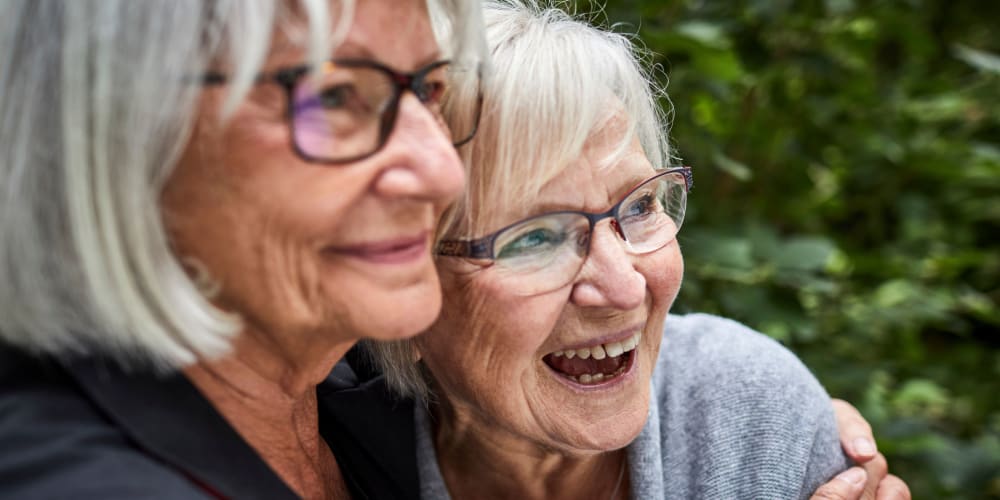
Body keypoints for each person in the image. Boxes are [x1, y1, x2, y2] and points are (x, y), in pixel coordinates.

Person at [363, 1, 910, 499]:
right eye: (535, 237)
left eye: (640, 206)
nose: (625, 287)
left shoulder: (750, 419)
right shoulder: (326, 446)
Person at [0, 0, 484, 498]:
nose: (444, 172)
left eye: (428, 90)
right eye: (334, 96)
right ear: (110, 132)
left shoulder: (361, 396)